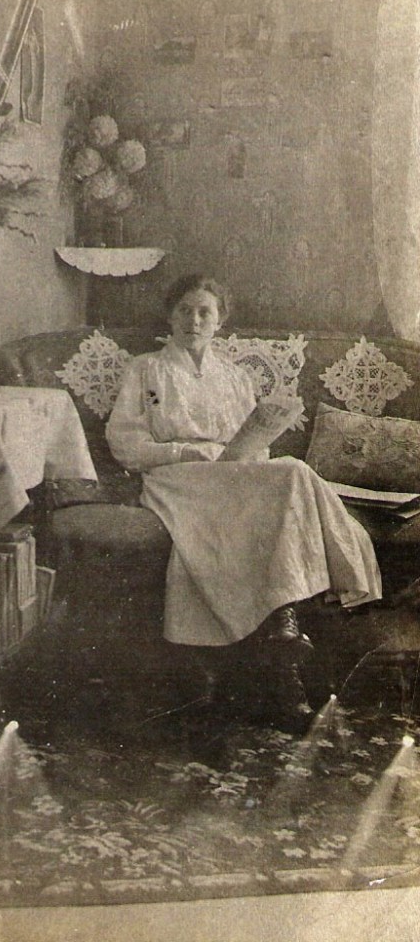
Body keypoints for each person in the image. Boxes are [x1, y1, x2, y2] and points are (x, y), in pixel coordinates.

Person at [105, 273, 382, 731]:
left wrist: (247, 451)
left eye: (205, 312)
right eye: (184, 310)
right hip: (177, 479)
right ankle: (289, 627)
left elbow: (256, 449)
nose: (194, 320)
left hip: (232, 477)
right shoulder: (146, 369)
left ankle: (280, 639)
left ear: (220, 321)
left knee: (286, 475)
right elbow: (124, 444)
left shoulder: (235, 377)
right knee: (294, 474)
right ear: (170, 317)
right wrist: (185, 452)